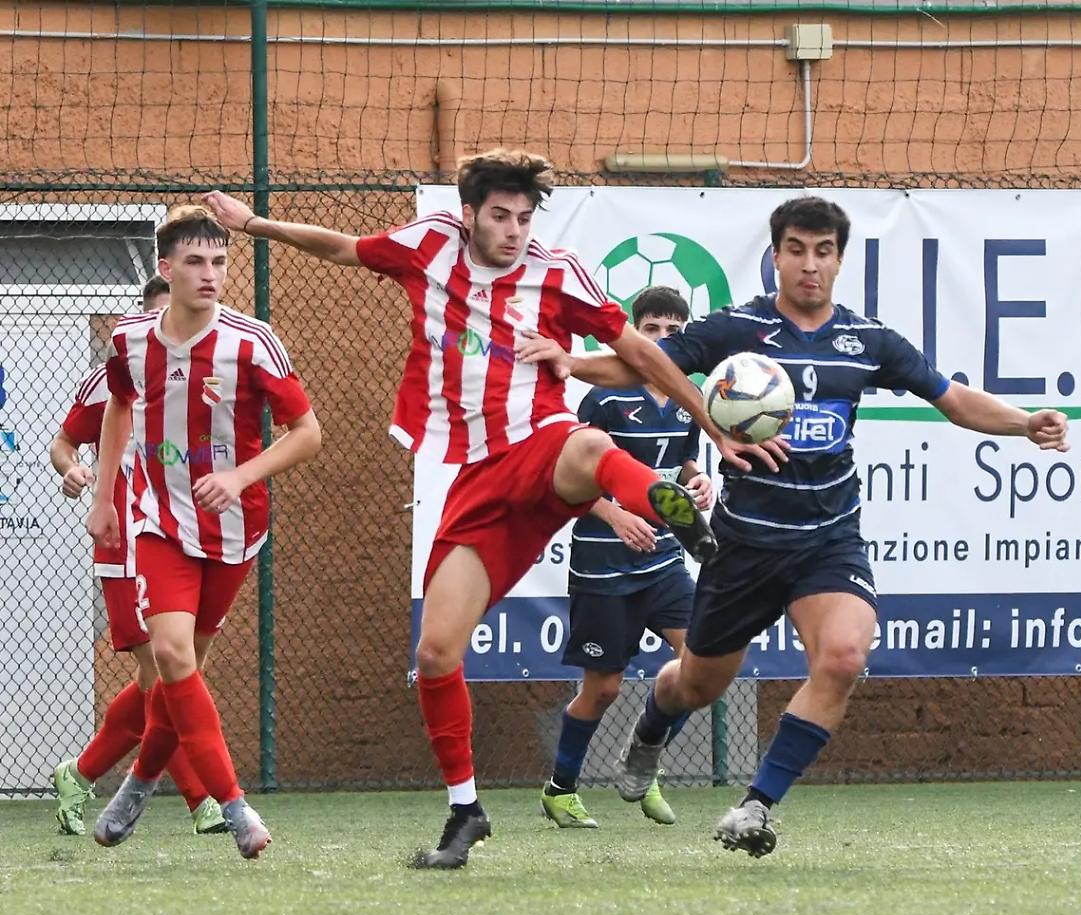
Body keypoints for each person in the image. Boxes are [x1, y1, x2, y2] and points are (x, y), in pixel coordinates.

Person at [203, 149, 768, 869]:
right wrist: (255, 223)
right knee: (437, 651)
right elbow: (342, 248)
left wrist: (713, 425)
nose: (514, 230)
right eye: (500, 215)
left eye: (525, 217)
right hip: (473, 480)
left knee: (586, 442)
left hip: (540, 444)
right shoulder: (429, 244)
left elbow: (645, 357)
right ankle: (465, 808)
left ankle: (671, 514)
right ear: (469, 213)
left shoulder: (558, 271)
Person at [521, 196, 1069, 858]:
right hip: (744, 542)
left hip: (827, 540)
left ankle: (756, 805)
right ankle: (653, 728)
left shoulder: (867, 341)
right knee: (697, 682)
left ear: (839, 259)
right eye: (797, 250)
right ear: (776, 255)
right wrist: (570, 362)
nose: (810, 264)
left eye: (824, 251)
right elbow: (644, 363)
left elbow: (951, 397)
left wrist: (1023, 421)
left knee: (843, 655)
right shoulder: (739, 328)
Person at [88, 205, 322, 860]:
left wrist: (243, 475)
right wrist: (106, 496)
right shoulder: (131, 339)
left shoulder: (253, 341)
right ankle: (235, 805)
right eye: (195, 262)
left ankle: (136, 784)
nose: (210, 273)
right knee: (170, 654)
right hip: (159, 522)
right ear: (166, 268)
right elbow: (119, 404)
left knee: (180, 673)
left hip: (233, 528)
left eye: (219, 261)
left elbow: (308, 434)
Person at [51, 274, 227, 836]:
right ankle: (203, 799)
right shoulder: (113, 378)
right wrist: (74, 470)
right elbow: (63, 443)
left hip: (184, 538)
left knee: (173, 674)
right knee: (163, 675)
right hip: (126, 544)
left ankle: (80, 774)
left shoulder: (209, 373)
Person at [540, 286, 712, 829]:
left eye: (674, 331)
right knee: (605, 688)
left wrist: (699, 480)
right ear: (635, 336)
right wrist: (617, 515)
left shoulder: (690, 396)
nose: (664, 340)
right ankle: (560, 788)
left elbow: (683, 462)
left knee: (702, 666)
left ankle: (646, 757)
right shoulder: (607, 400)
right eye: (653, 330)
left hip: (663, 559)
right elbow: (569, 481)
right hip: (604, 563)